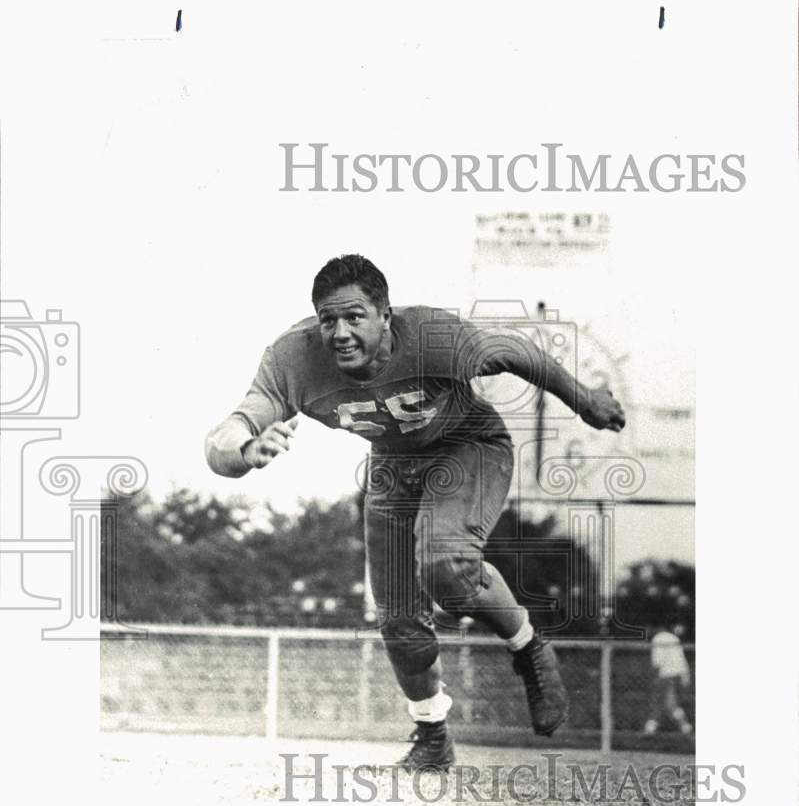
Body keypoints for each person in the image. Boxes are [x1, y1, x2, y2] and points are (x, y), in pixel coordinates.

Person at [205, 254, 626, 770]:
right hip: (392, 467)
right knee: (399, 618)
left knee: (446, 565)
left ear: (386, 315)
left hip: (465, 446)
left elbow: (517, 352)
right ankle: (432, 738)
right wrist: (246, 451)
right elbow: (222, 437)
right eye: (327, 320)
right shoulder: (293, 358)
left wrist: (584, 400)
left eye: (353, 316)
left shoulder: (430, 334)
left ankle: (528, 647)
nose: (338, 332)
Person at [643, 624, 693, 735]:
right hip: (677, 674)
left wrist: (654, 678)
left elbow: (657, 662)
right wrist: (686, 676)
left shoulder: (658, 639)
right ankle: (650, 728)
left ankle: (685, 726)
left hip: (665, 675)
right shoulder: (673, 637)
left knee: (668, 703)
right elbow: (682, 659)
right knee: (659, 703)